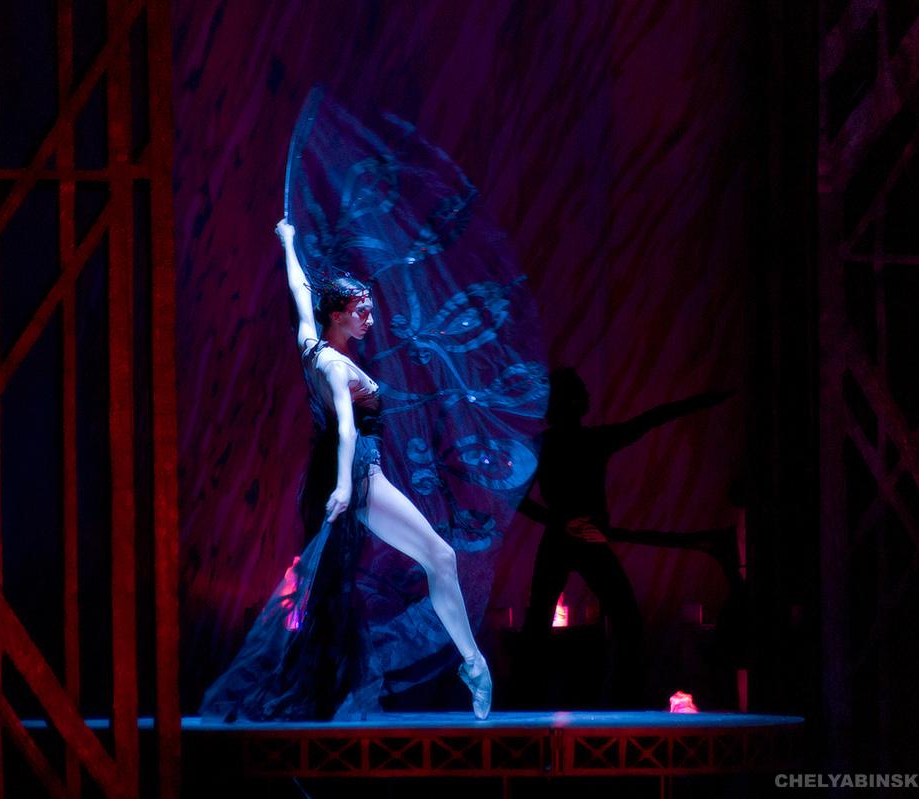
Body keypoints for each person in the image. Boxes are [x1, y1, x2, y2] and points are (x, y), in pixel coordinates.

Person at [197, 219, 492, 722]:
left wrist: (288, 241)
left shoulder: (311, 344)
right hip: (357, 474)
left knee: (385, 575)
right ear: (338, 315)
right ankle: (473, 664)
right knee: (440, 557)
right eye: (361, 311)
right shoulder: (335, 366)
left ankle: (466, 663)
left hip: (346, 473)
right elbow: (347, 429)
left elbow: (300, 290)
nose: (370, 318)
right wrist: (343, 486)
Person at [519, 367, 732, 705]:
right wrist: (564, 523)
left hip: (569, 537)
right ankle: (615, 699)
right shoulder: (568, 443)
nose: (588, 397)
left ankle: (542, 700)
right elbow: (650, 420)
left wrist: (560, 522)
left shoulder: (553, 444)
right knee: (618, 619)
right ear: (569, 402)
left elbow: (650, 419)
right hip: (577, 538)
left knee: (549, 622)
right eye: (581, 392)